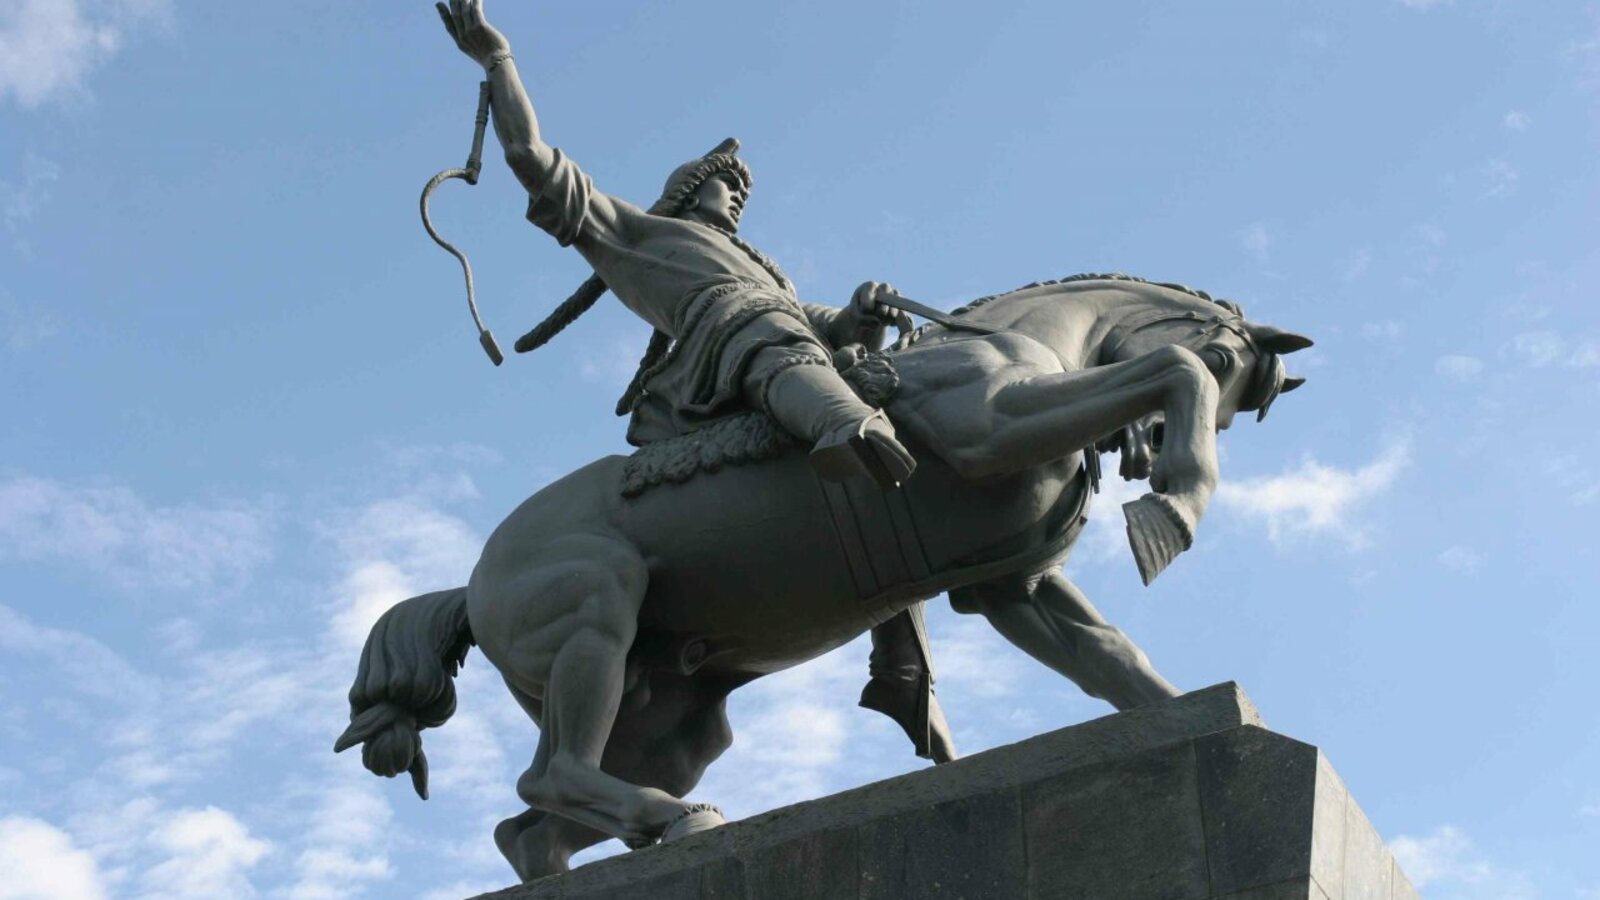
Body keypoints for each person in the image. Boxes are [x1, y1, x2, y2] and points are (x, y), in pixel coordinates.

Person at [436, 0, 954, 760]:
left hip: (786, 354)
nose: (737, 192)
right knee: (779, 344)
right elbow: (534, 160)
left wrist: (862, 311)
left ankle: (902, 658)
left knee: (875, 409)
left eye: (743, 189)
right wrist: (497, 59)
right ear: (683, 193)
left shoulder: (769, 276)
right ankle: (842, 426)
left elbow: (831, 329)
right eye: (722, 181)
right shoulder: (643, 236)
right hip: (724, 360)